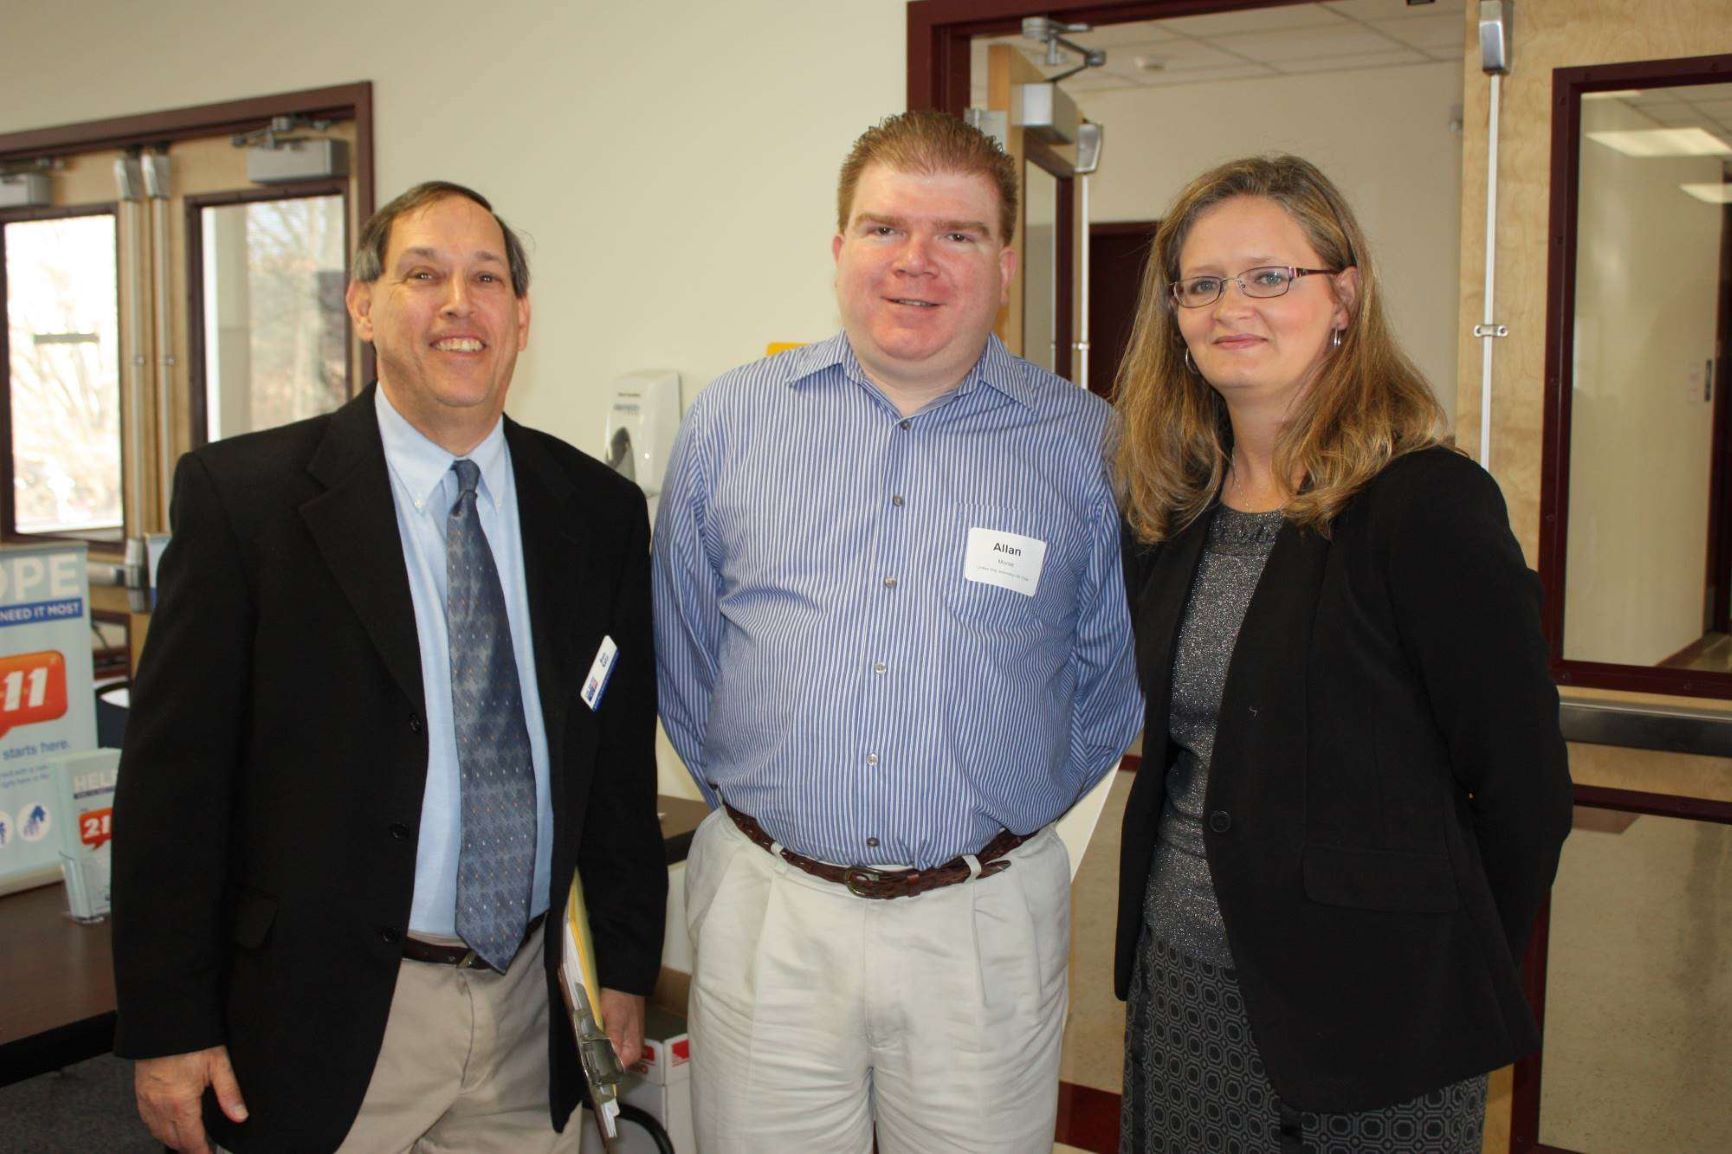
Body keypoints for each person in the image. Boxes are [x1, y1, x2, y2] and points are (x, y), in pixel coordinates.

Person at [111, 181, 666, 1154]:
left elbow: (614, 772)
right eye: (423, 274)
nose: (459, 302)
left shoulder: (596, 512)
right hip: (324, 1019)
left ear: (521, 318)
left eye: (485, 278)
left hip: (528, 1014)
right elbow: (172, 789)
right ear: (362, 305)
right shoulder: (247, 503)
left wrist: (621, 967)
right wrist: (169, 1026)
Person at [653, 110, 1142, 1154]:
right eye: (883, 229)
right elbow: (685, 656)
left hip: (979, 923)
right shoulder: (733, 424)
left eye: (956, 234)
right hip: (770, 910)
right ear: (838, 251)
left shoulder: (1083, 445)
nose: (914, 262)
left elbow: (1109, 679)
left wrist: (999, 798)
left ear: (1004, 262)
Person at [1111, 154, 1573, 1154]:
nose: (1232, 304)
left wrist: (1439, 973)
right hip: (1186, 973)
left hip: (1374, 1007)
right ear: (1178, 319)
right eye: (1202, 283)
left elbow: (1525, 788)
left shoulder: (1424, 504)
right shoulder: (1169, 510)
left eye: (1270, 275)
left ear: (1344, 297)